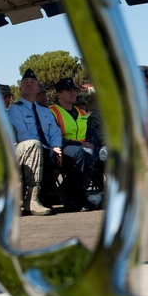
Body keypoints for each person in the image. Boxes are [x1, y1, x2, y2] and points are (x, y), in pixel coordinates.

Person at [0, 81, 52, 215]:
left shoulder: (9, 113)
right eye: (2, 97)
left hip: (13, 149)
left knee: (34, 144)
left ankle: (32, 198)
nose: (6, 100)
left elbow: (21, 134)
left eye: (7, 97)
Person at [49, 77, 99, 210]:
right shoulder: (52, 112)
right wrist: (80, 145)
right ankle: (78, 197)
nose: (73, 93)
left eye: (74, 90)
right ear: (59, 94)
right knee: (84, 153)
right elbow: (54, 136)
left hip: (86, 148)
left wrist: (91, 143)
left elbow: (91, 134)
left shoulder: (82, 113)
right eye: (68, 90)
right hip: (65, 148)